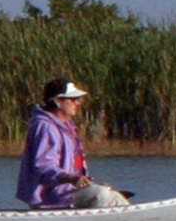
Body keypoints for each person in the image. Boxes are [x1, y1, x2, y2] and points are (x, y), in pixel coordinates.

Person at [18, 79, 131, 209]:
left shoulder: (67, 125)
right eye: (72, 99)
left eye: (77, 99)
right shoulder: (45, 127)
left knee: (115, 196)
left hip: (70, 191)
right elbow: (44, 167)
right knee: (101, 194)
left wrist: (89, 185)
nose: (77, 103)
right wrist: (71, 179)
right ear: (57, 101)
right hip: (52, 197)